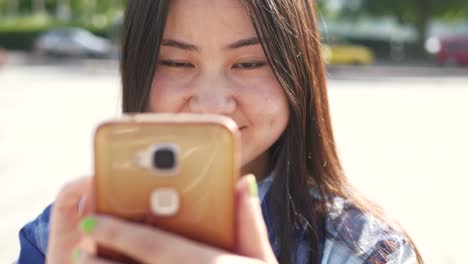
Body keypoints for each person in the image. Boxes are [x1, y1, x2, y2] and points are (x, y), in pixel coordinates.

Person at [17, 0, 423, 263]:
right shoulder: (62, 236)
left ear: (296, 70)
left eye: (249, 63)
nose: (212, 104)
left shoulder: (364, 251)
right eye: (176, 63)